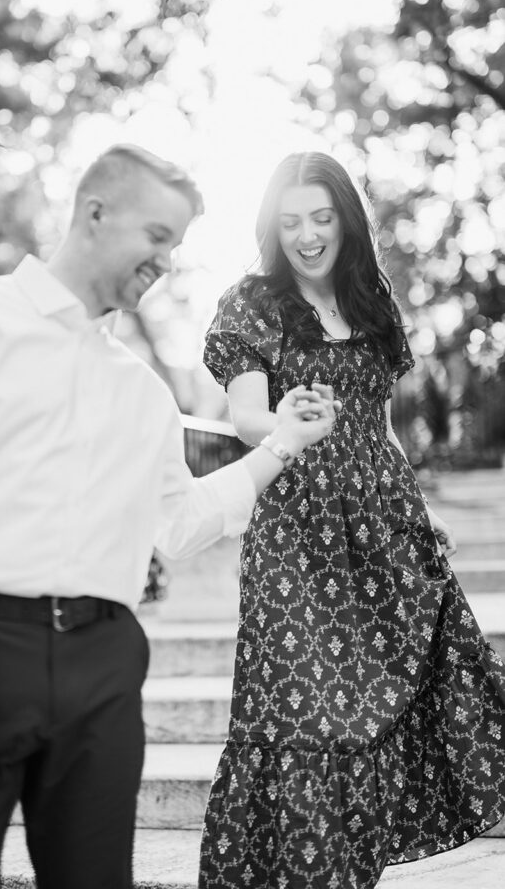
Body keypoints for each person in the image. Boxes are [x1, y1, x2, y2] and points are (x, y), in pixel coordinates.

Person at [0, 143, 339, 889]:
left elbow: (180, 521)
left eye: (176, 245)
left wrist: (282, 441)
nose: (166, 260)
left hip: (104, 665)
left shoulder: (142, 391)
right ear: (95, 212)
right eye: (156, 237)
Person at [198, 150, 505, 889]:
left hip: (384, 529)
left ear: (345, 220)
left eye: (320, 217)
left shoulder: (372, 301)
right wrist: (286, 423)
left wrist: (418, 519)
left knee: (408, 691)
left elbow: (385, 429)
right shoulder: (254, 302)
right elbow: (242, 415)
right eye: (291, 220)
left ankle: (353, 869)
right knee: (303, 707)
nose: (306, 234)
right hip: (296, 533)